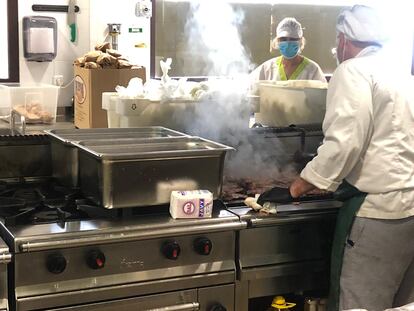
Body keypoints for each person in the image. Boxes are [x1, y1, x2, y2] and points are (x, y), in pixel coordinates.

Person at [285, 5, 414, 311]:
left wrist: (299, 186)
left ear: (344, 40)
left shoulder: (352, 70)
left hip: (377, 215)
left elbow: (343, 142)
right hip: (410, 208)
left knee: (358, 304)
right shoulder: (400, 72)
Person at [251, 17, 327, 82]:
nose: (287, 43)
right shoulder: (267, 69)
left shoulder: (313, 70)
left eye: (292, 39)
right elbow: (251, 88)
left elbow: (321, 95)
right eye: (283, 39)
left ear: (300, 41)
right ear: (277, 41)